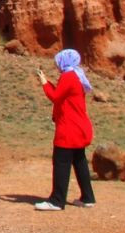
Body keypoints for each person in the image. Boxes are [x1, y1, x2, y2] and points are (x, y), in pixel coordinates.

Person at [34, 48, 96, 211]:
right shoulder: (76, 75)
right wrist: (47, 81)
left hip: (69, 128)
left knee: (61, 162)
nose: (57, 65)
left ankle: (57, 201)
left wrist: (44, 83)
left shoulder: (68, 76)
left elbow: (55, 97)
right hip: (79, 127)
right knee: (79, 161)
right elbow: (61, 94)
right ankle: (88, 197)